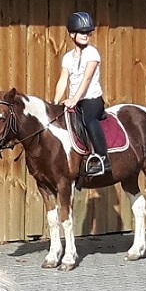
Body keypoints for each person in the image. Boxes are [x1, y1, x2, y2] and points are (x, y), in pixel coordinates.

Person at [56, 10, 108, 178]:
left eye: (88, 32)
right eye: (82, 32)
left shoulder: (92, 53)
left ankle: (102, 158)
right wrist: (55, 102)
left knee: (88, 119)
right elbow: (63, 80)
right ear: (72, 34)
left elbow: (86, 79)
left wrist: (74, 99)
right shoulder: (67, 58)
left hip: (91, 100)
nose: (86, 35)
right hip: (75, 101)